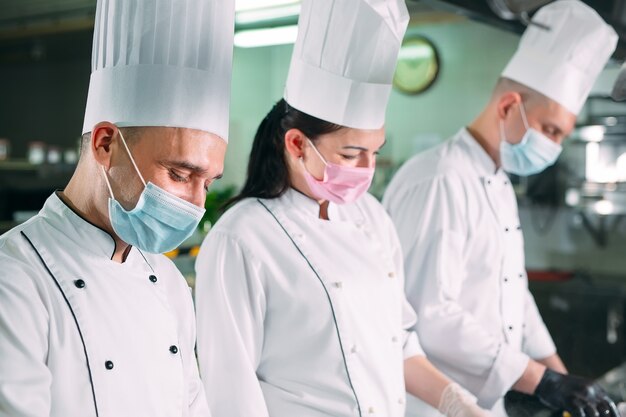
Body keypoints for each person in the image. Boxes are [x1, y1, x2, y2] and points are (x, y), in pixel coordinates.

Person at [195, 1, 491, 417]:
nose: (367, 170)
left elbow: (397, 341)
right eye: (353, 154)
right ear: (297, 144)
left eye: (375, 152)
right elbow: (231, 388)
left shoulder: (371, 217)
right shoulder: (241, 237)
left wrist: (457, 403)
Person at [382, 2, 619, 417]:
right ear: (509, 106)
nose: (554, 147)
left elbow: (516, 292)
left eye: (562, 136)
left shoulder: (498, 180)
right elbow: (431, 314)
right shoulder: (441, 180)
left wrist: (566, 382)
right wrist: (543, 381)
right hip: (432, 405)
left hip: (486, 403)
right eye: (550, 130)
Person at [0, 0, 234, 415]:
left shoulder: (167, 280)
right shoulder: (14, 278)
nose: (196, 204)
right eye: (179, 175)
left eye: (208, 183)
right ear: (105, 143)